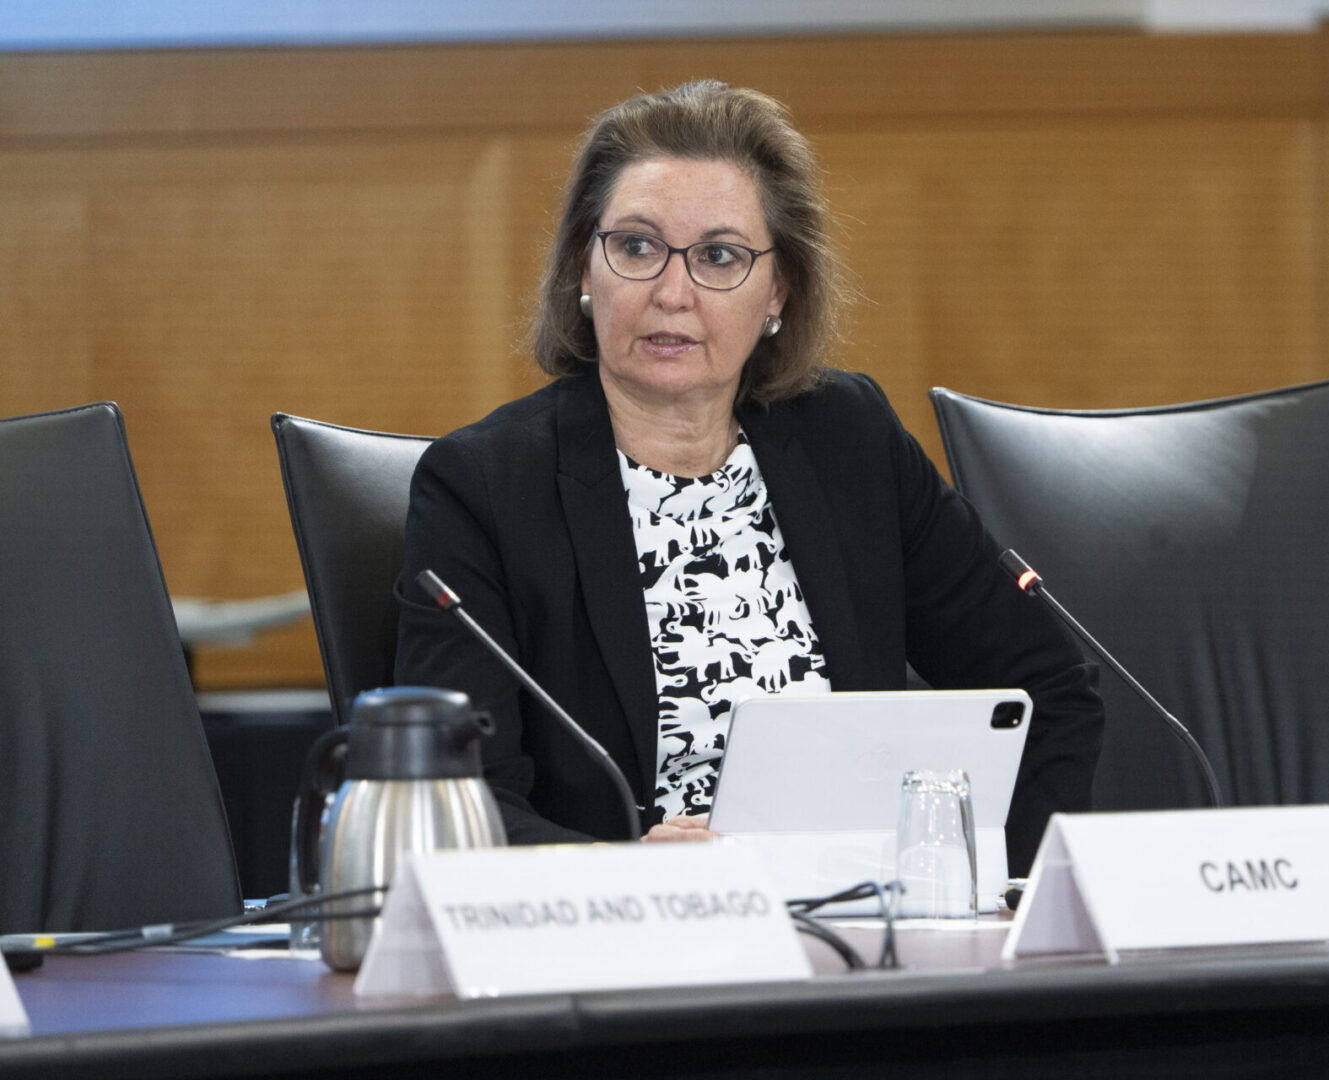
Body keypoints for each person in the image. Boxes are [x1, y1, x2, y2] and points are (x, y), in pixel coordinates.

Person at [394, 80, 1103, 876]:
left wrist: (979, 888)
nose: (672, 292)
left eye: (720, 257)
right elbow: (453, 800)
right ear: (581, 270)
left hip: (869, 944)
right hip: (632, 952)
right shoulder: (483, 488)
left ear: (779, 290)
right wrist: (618, 867)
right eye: (635, 247)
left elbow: (1047, 692)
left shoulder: (849, 441)